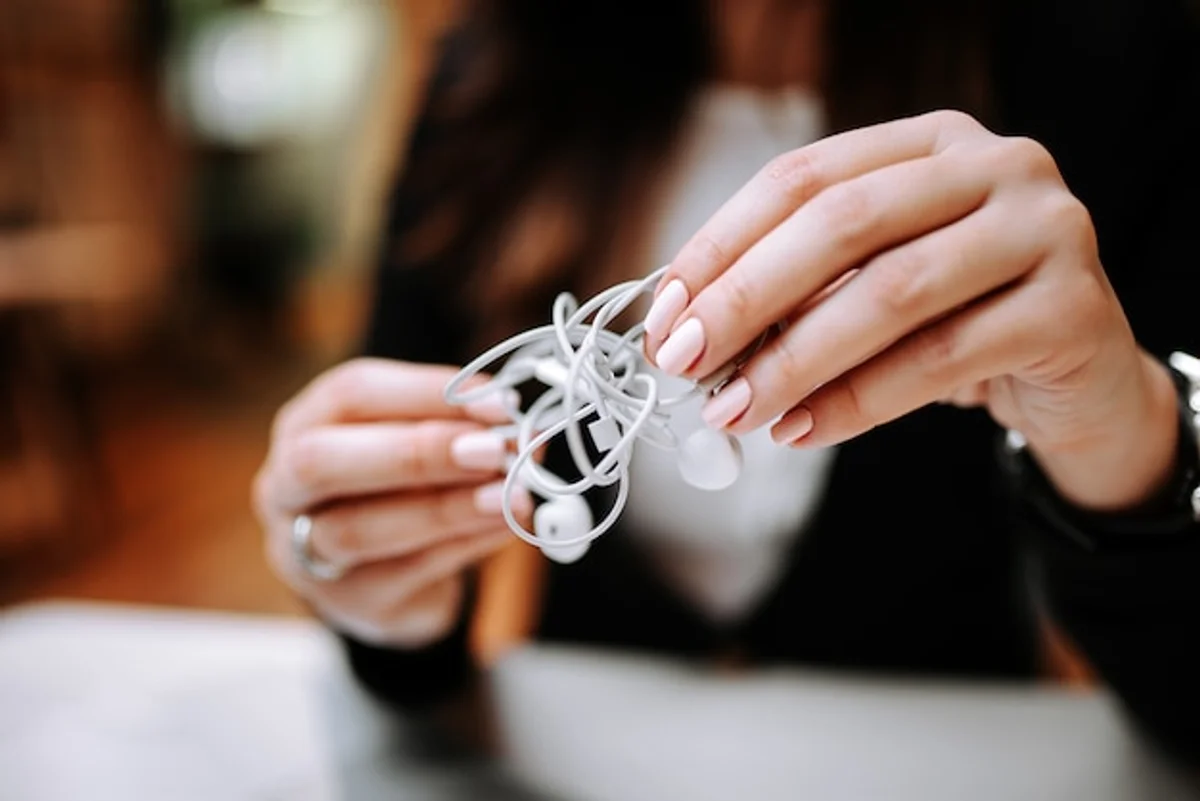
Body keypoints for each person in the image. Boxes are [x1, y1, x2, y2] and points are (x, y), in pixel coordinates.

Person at [253, 0, 1200, 764]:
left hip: (936, 760)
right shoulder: (494, 74)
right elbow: (409, 667)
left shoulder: (1102, 57)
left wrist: (1129, 441)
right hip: (591, 762)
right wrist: (376, 590)